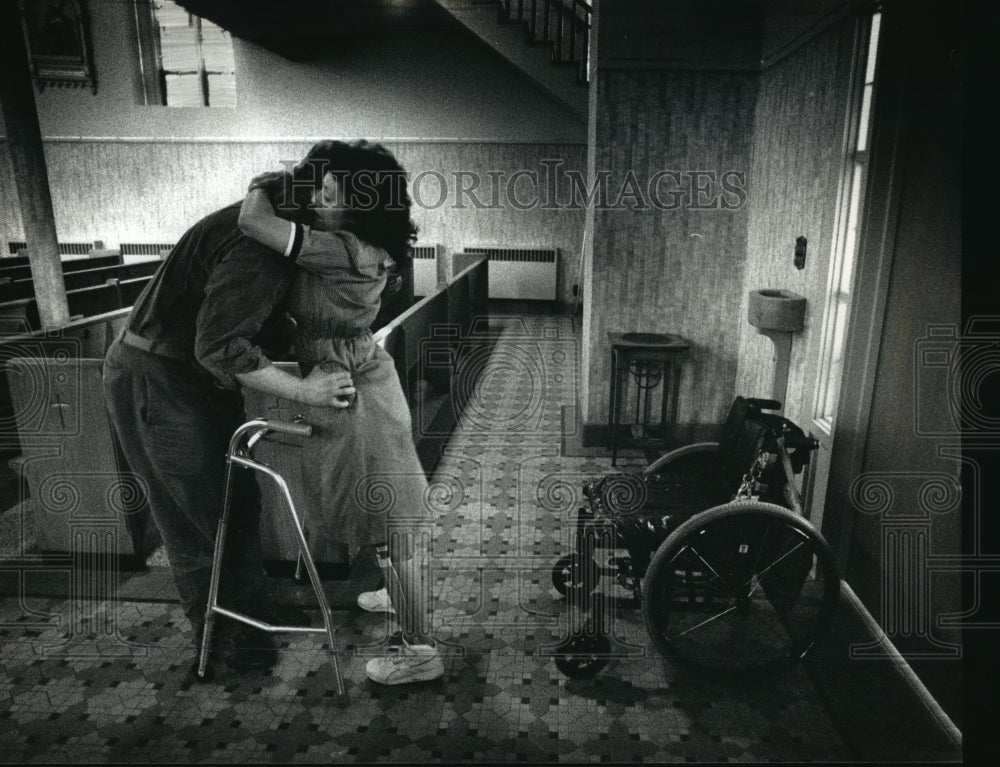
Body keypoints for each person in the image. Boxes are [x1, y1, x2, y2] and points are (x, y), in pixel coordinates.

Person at [102, 185, 357, 672]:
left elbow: (247, 318)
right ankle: (221, 642)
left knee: (237, 501)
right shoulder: (264, 247)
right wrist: (305, 391)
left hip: (189, 377)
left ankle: (251, 613)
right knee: (198, 516)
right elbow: (219, 346)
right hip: (160, 378)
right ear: (322, 207)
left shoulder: (278, 218)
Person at [238, 140, 442, 685]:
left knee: (390, 529)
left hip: (352, 389)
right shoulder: (368, 245)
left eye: (330, 193)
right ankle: (395, 592)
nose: (318, 201)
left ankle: (420, 651)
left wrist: (267, 185)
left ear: (360, 204)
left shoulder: (339, 247)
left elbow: (252, 222)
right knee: (387, 519)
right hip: (366, 374)